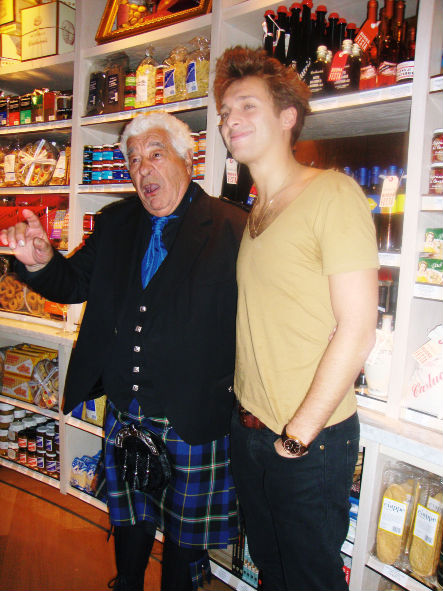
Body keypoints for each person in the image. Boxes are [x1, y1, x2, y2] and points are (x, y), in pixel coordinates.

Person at [0, 111, 247, 591]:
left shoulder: (232, 227)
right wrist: (42, 260)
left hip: (195, 415)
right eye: (133, 160)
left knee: (183, 535)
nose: (142, 169)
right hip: (126, 407)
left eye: (155, 154)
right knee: (130, 518)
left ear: (187, 159)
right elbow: (72, 282)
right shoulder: (116, 222)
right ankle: (126, 584)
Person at [213, 46, 379, 591]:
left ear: (288, 117)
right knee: (271, 568)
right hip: (252, 429)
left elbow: (357, 329)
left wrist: (296, 438)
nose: (229, 119)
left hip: (309, 442)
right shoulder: (256, 209)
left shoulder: (332, 193)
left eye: (246, 106)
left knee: (309, 579)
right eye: (224, 112)